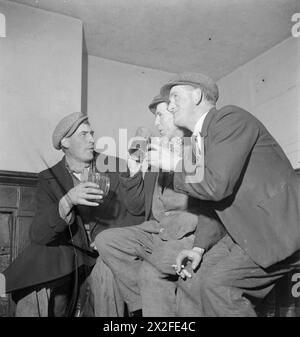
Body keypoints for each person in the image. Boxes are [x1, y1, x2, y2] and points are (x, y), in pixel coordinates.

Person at [147, 72, 300, 316]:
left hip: (280, 228)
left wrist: (176, 164)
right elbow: (212, 204)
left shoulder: (229, 118)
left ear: (197, 95)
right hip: (246, 231)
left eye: (175, 96)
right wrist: (198, 249)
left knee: (219, 287)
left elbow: (216, 186)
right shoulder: (201, 141)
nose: (170, 104)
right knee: (197, 282)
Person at [2, 112, 144, 316]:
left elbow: (136, 212)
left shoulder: (116, 166)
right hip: (71, 256)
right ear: (65, 142)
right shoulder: (49, 178)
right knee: (35, 278)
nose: (92, 140)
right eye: (84, 134)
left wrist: (110, 238)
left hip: (108, 250)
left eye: (92, 133)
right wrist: (67, 200)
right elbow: (39, 234)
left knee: (107, 272)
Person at [95, 94, 225, 316]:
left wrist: (176, 163)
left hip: (189, 234)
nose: (155, 124)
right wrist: (134, 169)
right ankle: (140, 306)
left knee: (152, 270)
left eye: (160, 116)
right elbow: (137, 207)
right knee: (105, 240)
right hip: (157, 230)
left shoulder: (200, 146)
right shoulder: (156, 151)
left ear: (177, 114)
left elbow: (212, 200)